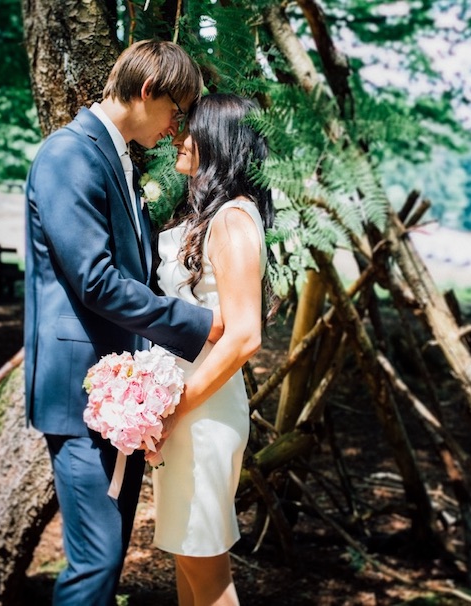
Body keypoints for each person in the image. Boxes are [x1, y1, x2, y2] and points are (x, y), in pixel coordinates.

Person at [23, 40, 222, 606]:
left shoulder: (115, 156)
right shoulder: (69, 155)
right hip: (79, 394)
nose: (175, 126)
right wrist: (200, 324)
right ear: (145, 91)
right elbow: (95, 280)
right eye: (174, 110)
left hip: (120, 399)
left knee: (104, 568)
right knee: (97, 563)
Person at [151, 93, 275, 606]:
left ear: (219, 141)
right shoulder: (215, 216)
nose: (180, 138)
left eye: (192, 129)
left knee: (209, 575)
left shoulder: (233, 220)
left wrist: (176, 409)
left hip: (202, 412)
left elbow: (246, 334)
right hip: (188, 409)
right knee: (189, 559)